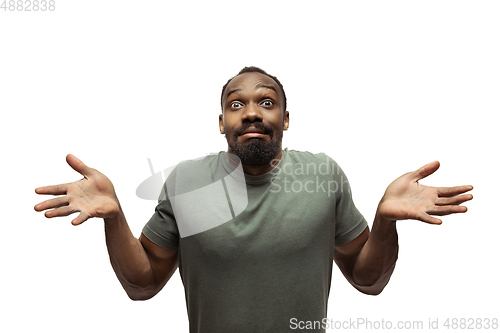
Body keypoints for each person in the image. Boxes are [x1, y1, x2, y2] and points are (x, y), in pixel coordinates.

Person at [34, 66, 473, 333]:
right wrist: (114, 218)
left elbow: (368, 280)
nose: (251, 112)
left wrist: (385, 221)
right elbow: (143, 284)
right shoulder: (190, 183)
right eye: (235, 103)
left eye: (266, 101)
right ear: (221, 122)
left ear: (285, 118)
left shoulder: (321, 175)